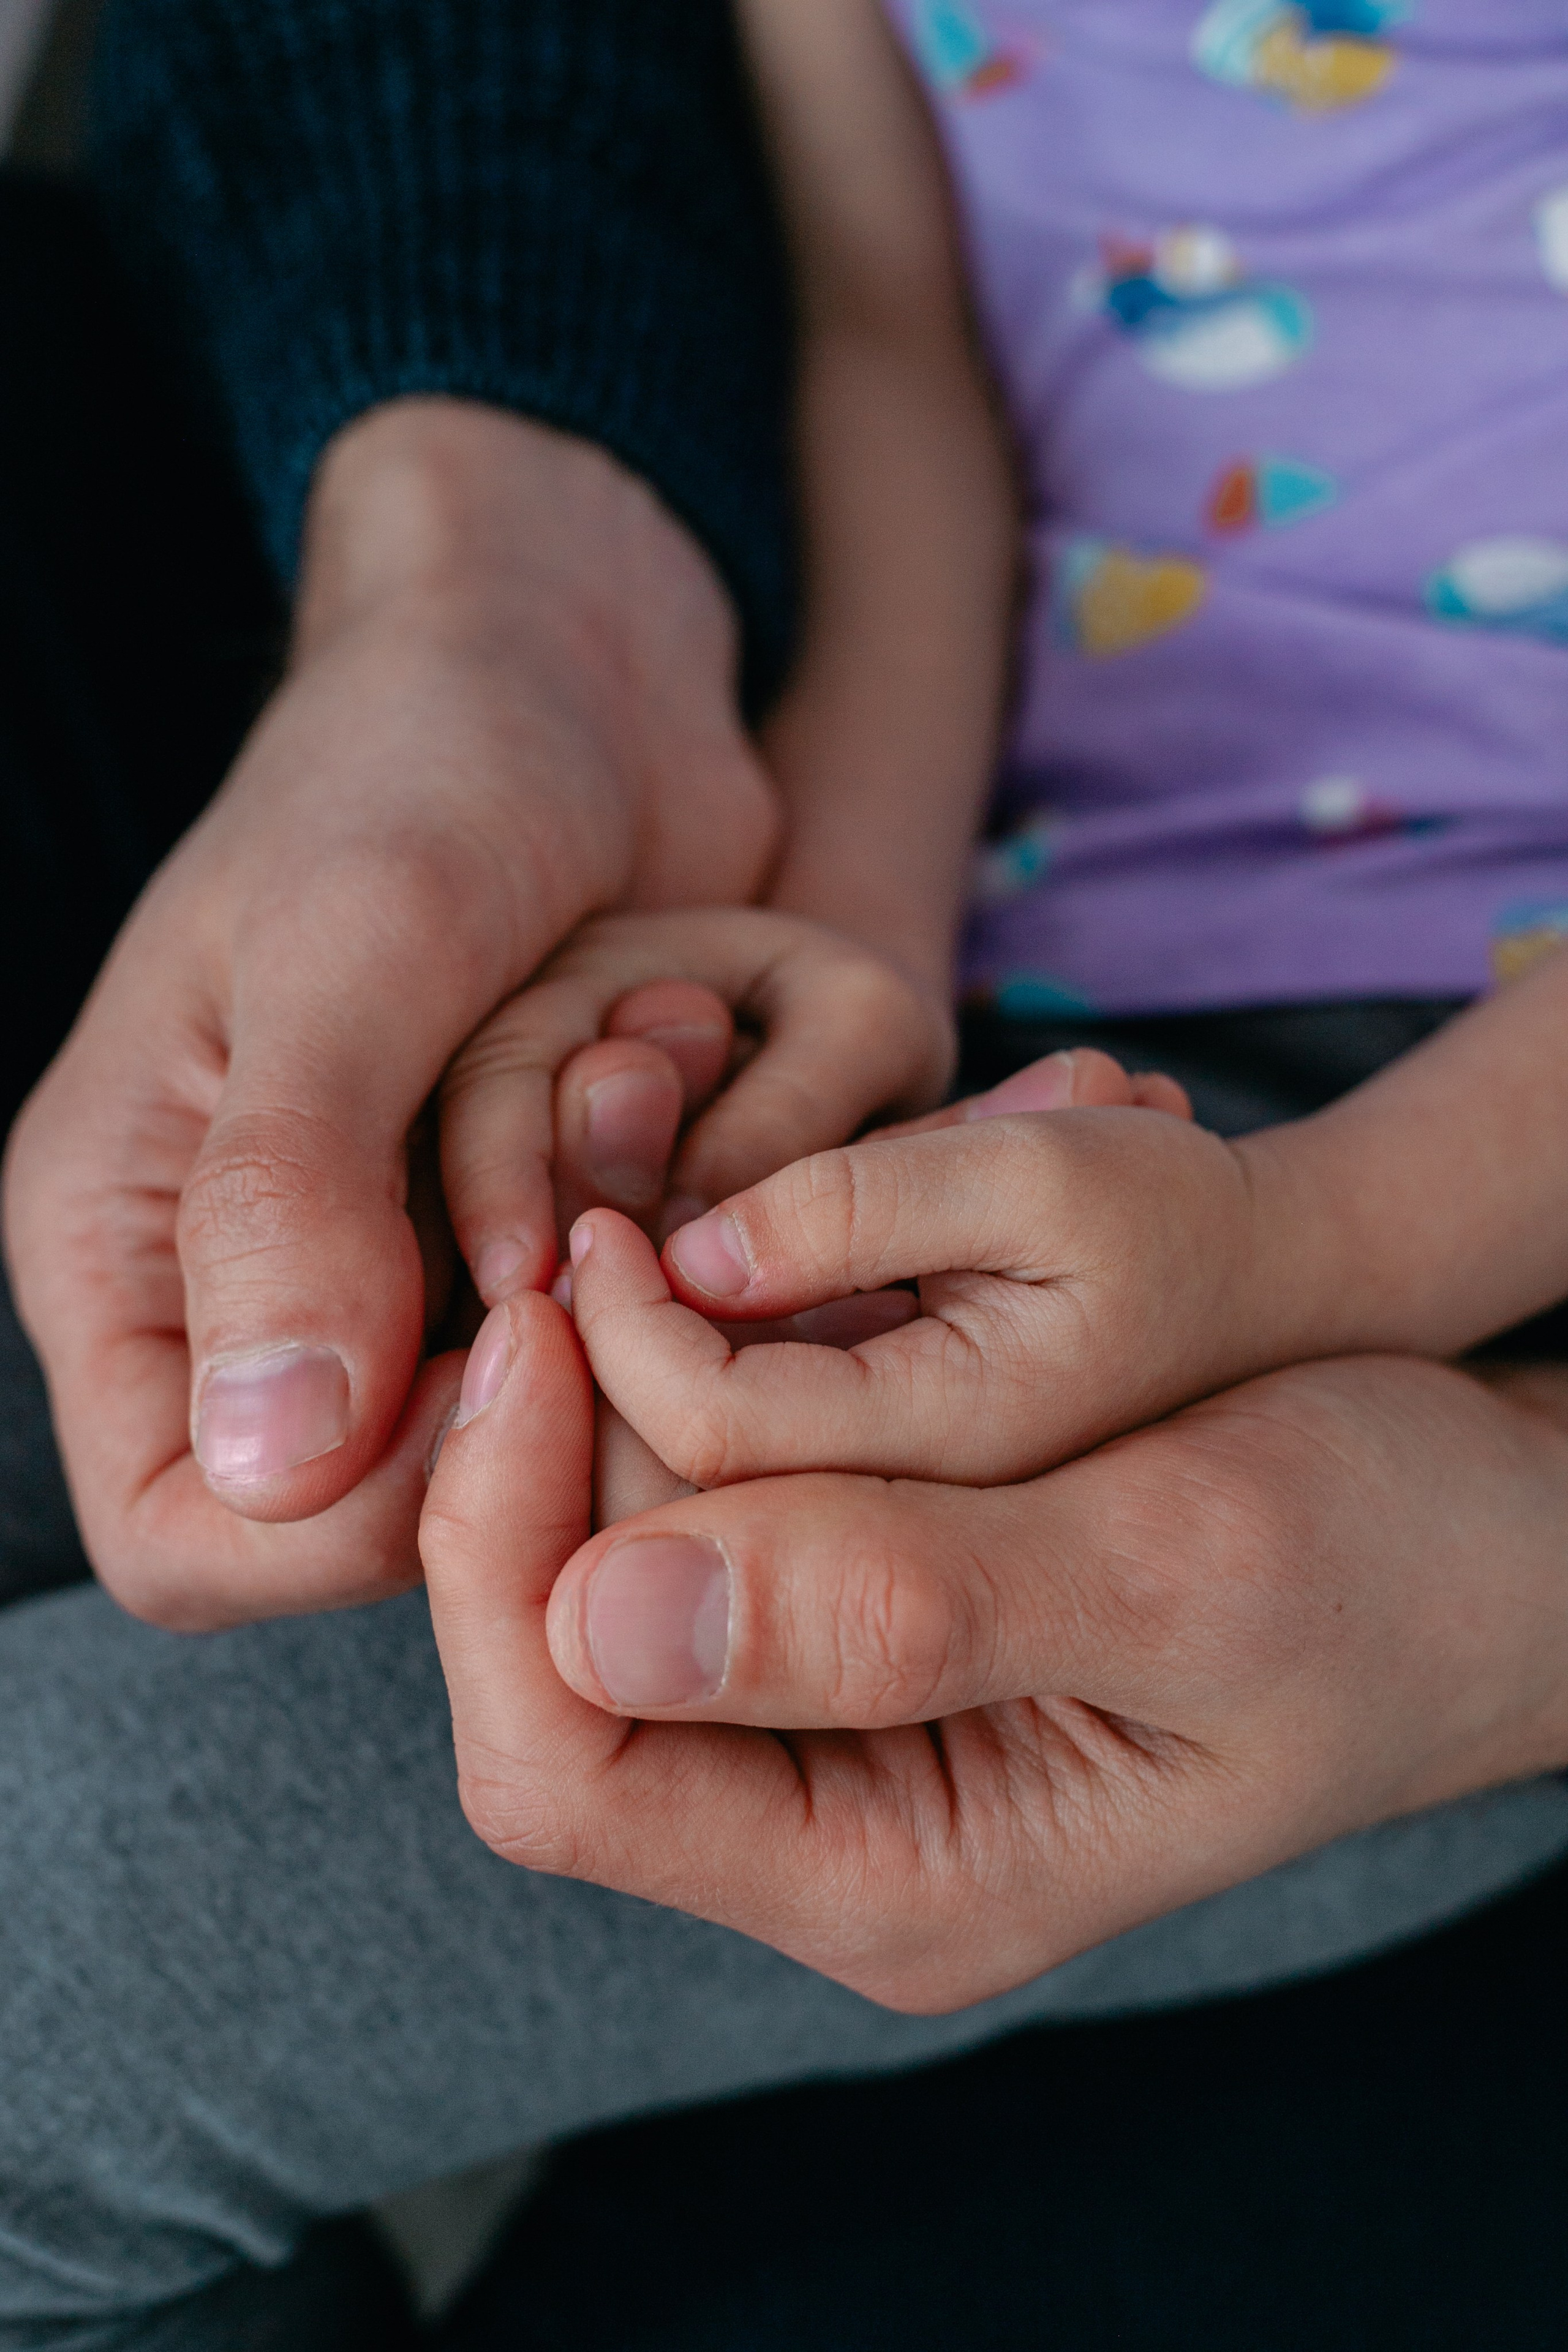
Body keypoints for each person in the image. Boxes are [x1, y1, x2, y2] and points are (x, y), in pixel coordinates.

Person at [3, 7, 1568, 2352]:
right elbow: (890, 335)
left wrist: (1329, 1251)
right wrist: (831, 951)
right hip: (1016, 1000)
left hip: (1457, 1246)